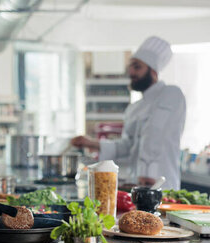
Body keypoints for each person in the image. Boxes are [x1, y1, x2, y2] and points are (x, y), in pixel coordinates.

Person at [72, 36, 186, 189]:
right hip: (136, 184)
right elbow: (127, 146)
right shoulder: (134, 108)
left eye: (137, 67)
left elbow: (154, 136)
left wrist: (148, 173)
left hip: (162, 183)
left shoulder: (171, 94)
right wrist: (91, 142)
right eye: (131, 67)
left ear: (153, 71)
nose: (131, 72)